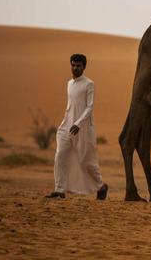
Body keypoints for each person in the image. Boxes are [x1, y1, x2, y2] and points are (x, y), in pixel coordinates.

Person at [46, 53, 108, 199]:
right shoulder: (69, 84)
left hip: (83, 128)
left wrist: (78, 123)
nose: (75, 68)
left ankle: (101, 186)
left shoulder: (89, 84)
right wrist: (66, 123)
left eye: (78, 66)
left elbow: (89, 107)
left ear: (84, 67)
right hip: (66, 126)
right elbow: (70, 106)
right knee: (60, 156)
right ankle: (59, 190)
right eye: (73, 65)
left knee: (86, 160)